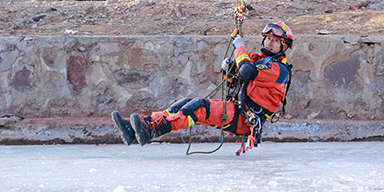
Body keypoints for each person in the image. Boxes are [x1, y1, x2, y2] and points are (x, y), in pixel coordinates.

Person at [111, 22, 293, 152]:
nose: (269, 42)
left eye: (275, 41)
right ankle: (139, 128)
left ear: (283, 45)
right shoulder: (260, 60)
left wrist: (240, 47)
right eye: (268, 38)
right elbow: (238, 79)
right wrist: (229, 70)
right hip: (238, 110)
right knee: (184, 104)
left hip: (245, 120)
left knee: (198, 107)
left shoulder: (279, 69)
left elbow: (246, 71)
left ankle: (151, 130)